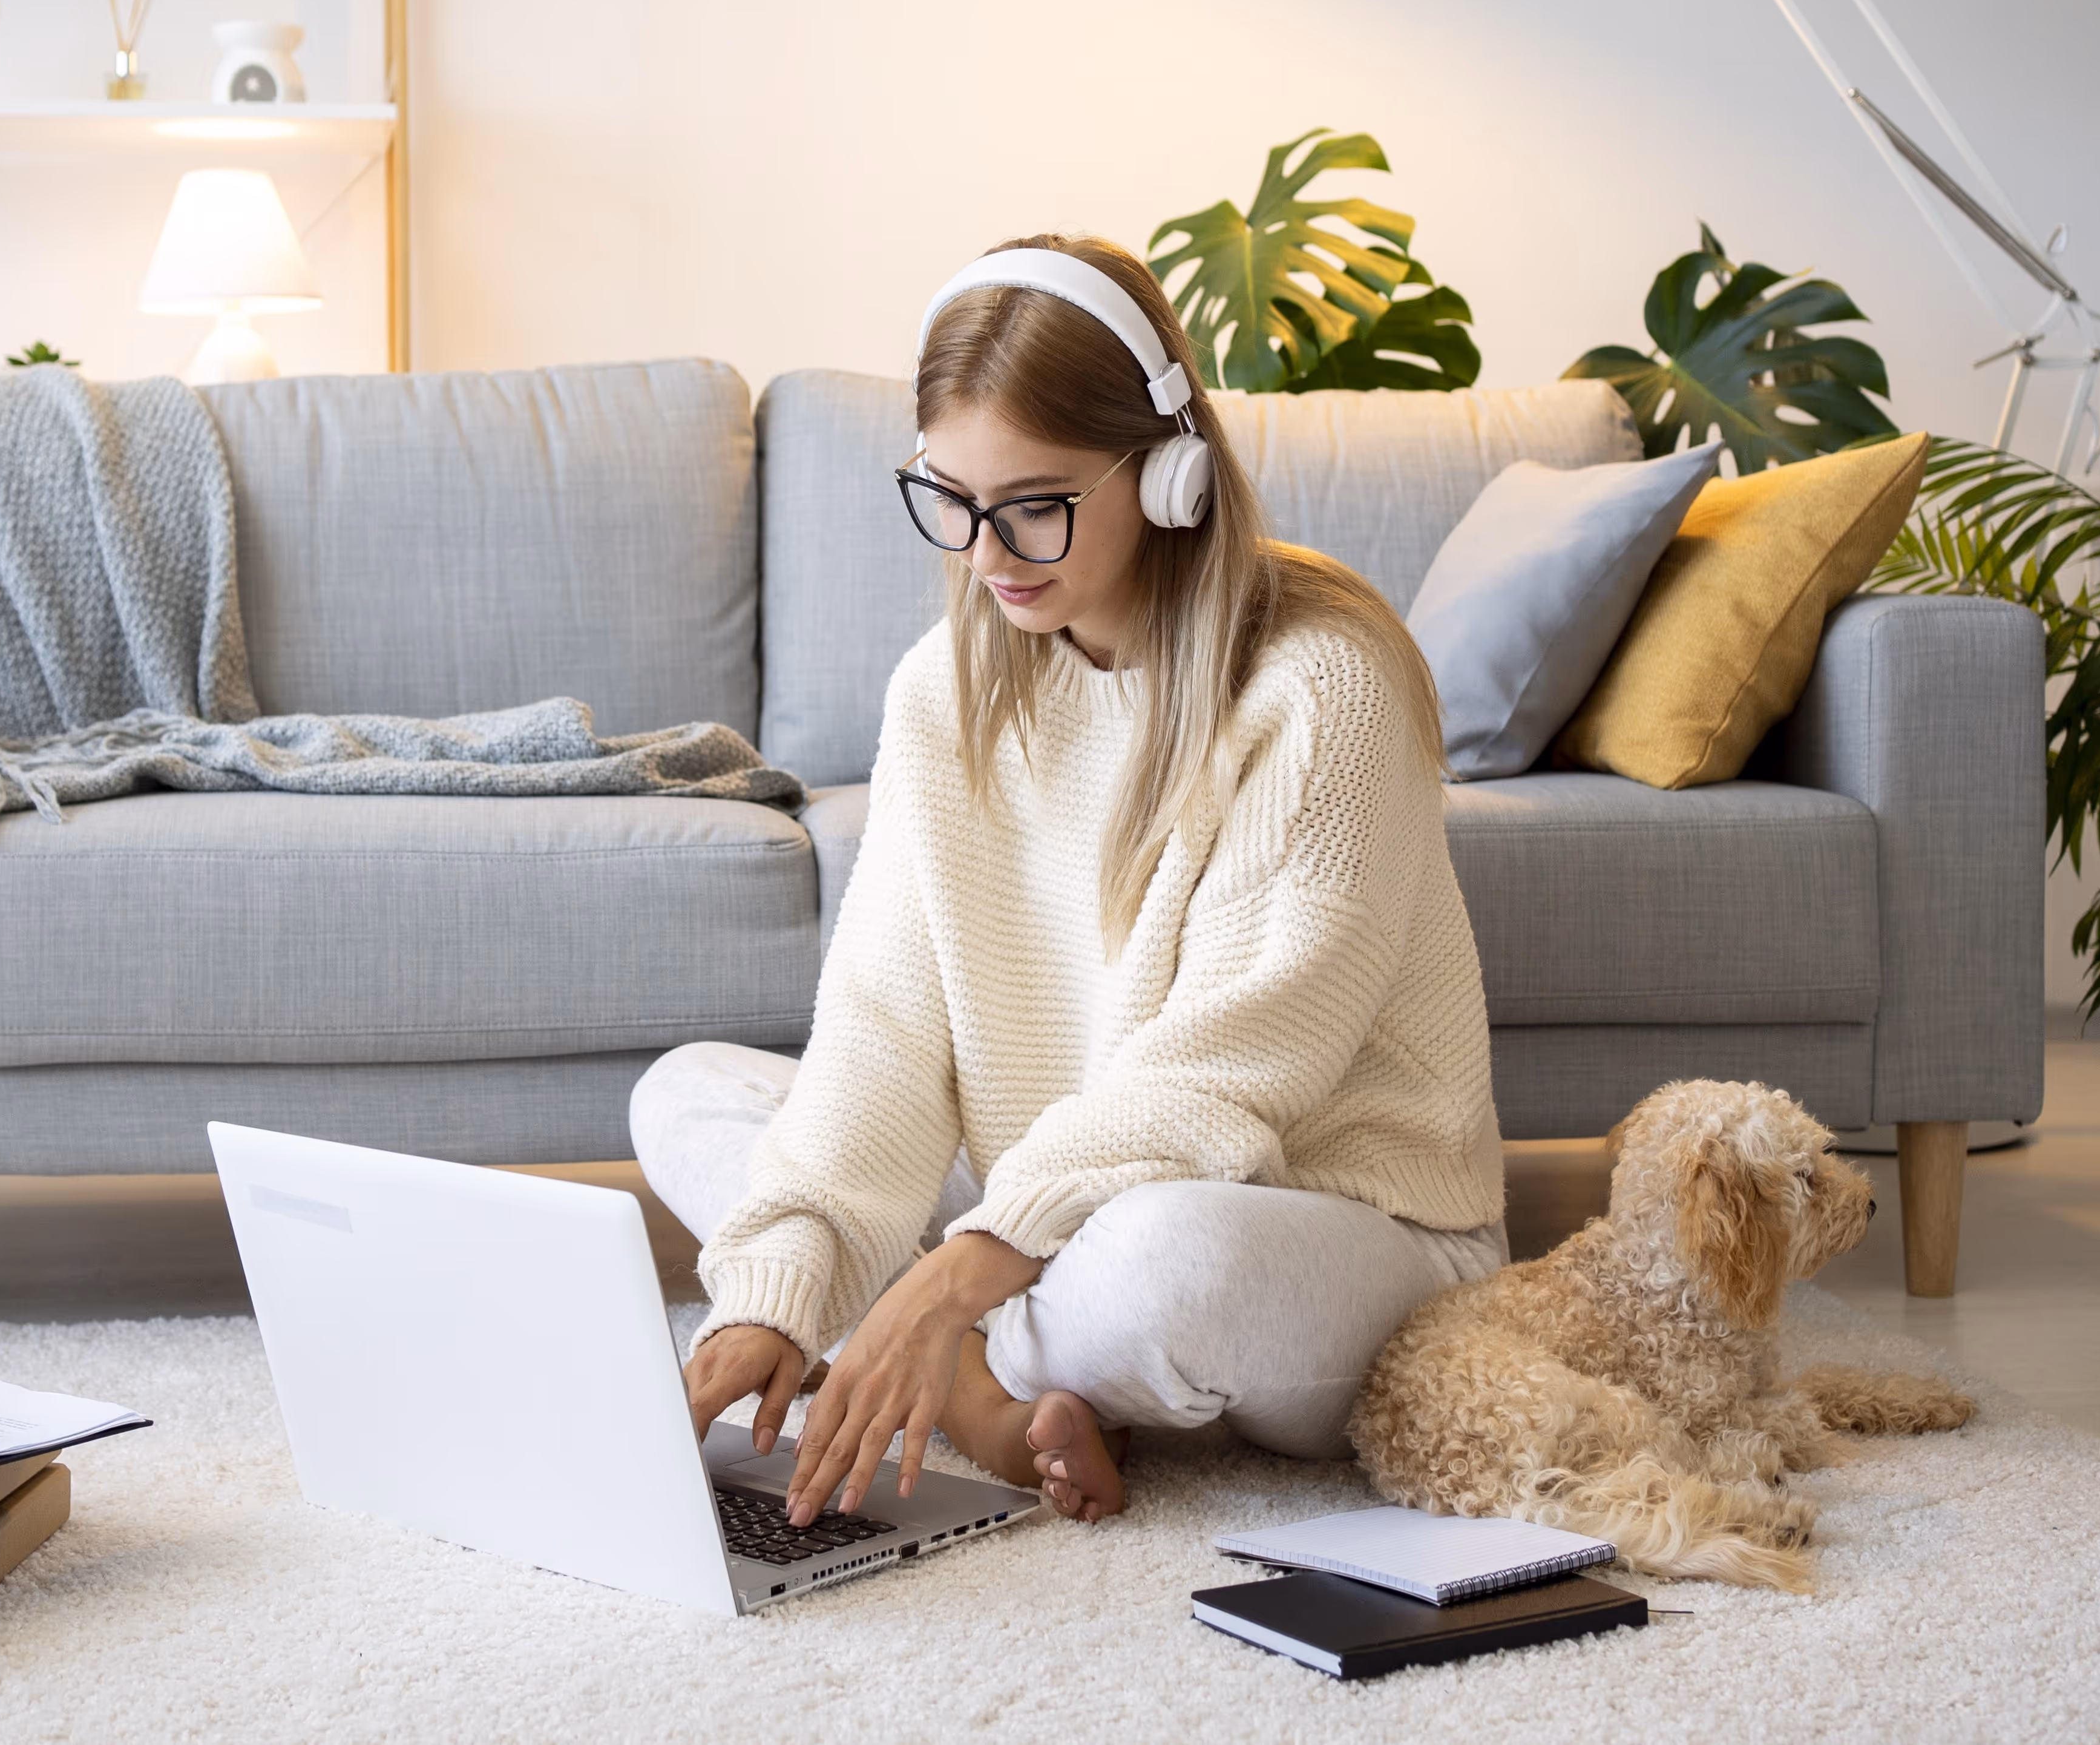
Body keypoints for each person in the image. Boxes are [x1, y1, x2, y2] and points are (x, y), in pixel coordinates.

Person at [629, 234, 1506, 1528]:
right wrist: (767, 1297)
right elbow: (883, 1032)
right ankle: (988, 1387)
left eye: (1035, 503)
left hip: (1316, 1222)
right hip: (1055, 1199)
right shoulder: (943, 690)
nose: (990, 553)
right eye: (950, 499)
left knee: (1167, 1261)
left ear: (1168, 475)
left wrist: (941, 1284)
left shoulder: (1322, 685)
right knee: (688, 1091)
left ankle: (959, 1368)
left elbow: (1222, 1074)